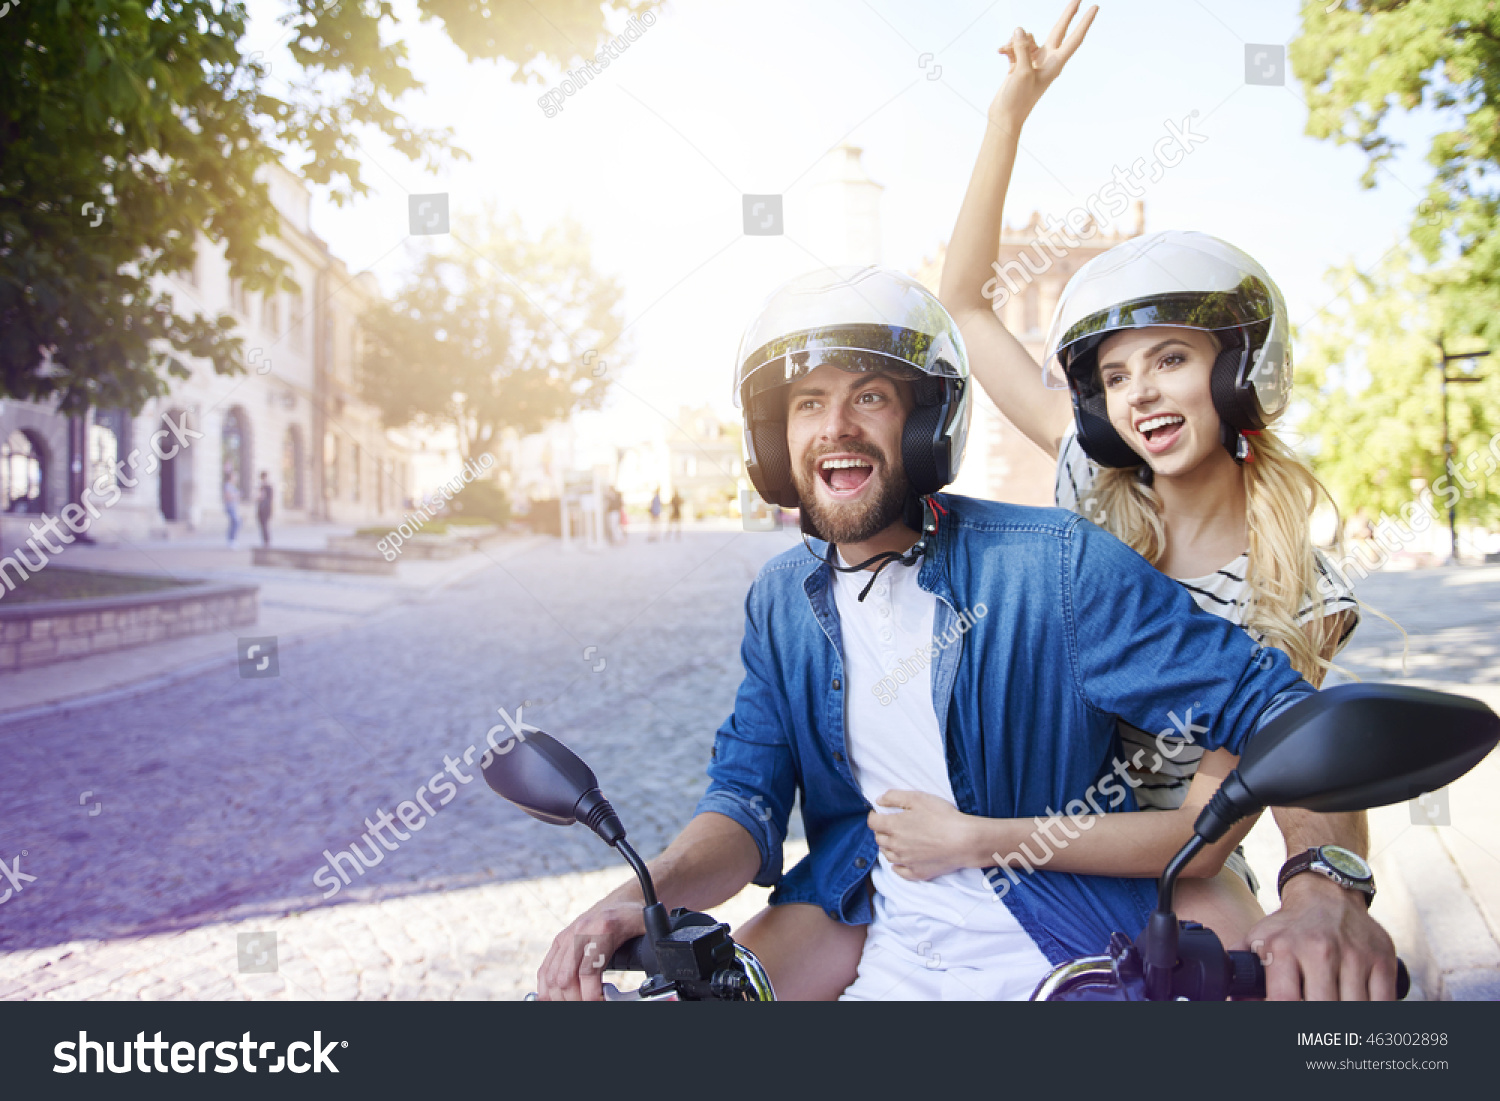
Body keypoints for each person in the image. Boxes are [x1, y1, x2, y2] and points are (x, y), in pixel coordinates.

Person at [535, 265, 1360, 1003]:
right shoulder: (781, 601)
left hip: (1075, 947)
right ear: (772, 444)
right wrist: (630, 898)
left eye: (869, 397)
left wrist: (1321, 882)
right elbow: (744, 806)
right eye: (808, 403)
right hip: (872, 942)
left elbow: (1274, 707)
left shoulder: (1055, 566)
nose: (836, 426)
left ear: (928, 424)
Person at [926, 1, 1393, 999]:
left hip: (1168, 857)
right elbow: (962, 298)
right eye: (1118, 373)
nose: (1139, 392)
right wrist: (1011, 112)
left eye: (1171, 359)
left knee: (1241, 981)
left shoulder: (1290, 584)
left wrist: (1324, 881)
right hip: (1004, 804)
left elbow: (1229, 816)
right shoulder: (1089, 477)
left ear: (1236, 378)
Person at [222, 463, 241, 547]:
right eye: (235, 476)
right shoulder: (228, 485)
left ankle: (231, 539)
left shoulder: (232, 486)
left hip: (233, 507)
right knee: (236, 522)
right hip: (230, 507)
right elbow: (227, 496)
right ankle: (231, 540)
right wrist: (235, 495)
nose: (236, 478)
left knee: (236, 522)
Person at [256, 471, 274, 548]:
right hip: (262, 508)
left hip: (265, 509)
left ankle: (266, 541)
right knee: (263, 525)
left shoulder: (267, 487)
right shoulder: (262, 487)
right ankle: (265, 541)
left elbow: (265, 498)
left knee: (265, 525)